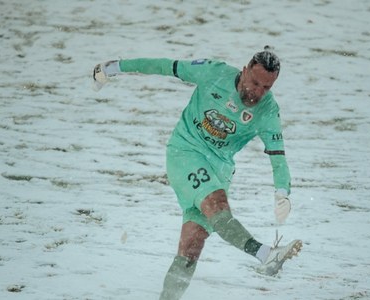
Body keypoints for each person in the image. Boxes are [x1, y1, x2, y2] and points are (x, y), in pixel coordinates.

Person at [92, 46, 302, 299]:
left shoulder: (267, 110)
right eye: (255, 82)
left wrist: (282, 192)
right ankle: (266, 254)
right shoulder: (213, 73)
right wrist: (114, 67)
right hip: (186, 153)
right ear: (244, 70)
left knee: (191, 249)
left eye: (266, 87)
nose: (257, 92)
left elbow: (278, 155)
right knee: (217, 205)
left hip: (220, 169)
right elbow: (164, 66)